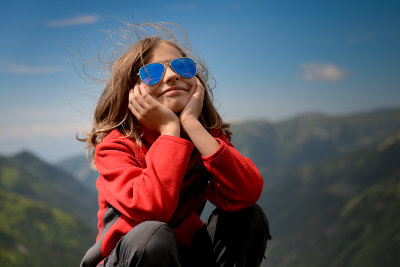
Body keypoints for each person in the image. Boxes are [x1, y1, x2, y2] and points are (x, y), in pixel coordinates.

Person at [79, 24, 270, 267]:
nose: (171, 76)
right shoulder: (115, 147)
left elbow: (247, 192)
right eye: (152, 73)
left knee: (247, 217)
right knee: (152, 236)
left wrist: (191, 124)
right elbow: (152, 212)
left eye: (182, 67)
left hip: (181, 256)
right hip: (131, 256)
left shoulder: (202, 137)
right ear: (132, 91)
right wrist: (170, 130)